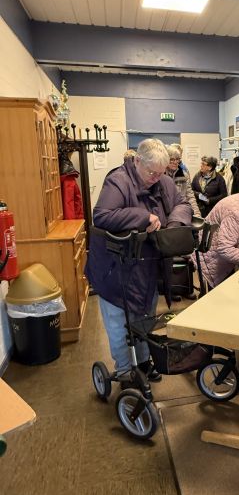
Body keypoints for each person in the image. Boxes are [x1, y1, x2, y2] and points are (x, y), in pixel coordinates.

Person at [85, 139, 192, 379]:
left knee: (144, 318)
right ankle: (125, 371)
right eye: (151, 172)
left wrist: (173, 224)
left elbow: (183, 204)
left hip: (147, 267)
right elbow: (101, 215)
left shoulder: (163, 181)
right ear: (137, 161)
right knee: (119, 322)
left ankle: (143, 364)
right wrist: (144, 217)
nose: (156, 178)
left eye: (161, 173)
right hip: (116, 268)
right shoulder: (118, 181)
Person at [165, 144, 201, 217]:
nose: (175, 162)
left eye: (177, 159)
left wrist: (197, 214)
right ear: (166, 159)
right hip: (165, 214)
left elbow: (190, 196)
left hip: (180, 212)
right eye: (172, 159)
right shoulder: (160, 175)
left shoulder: (184, 175)